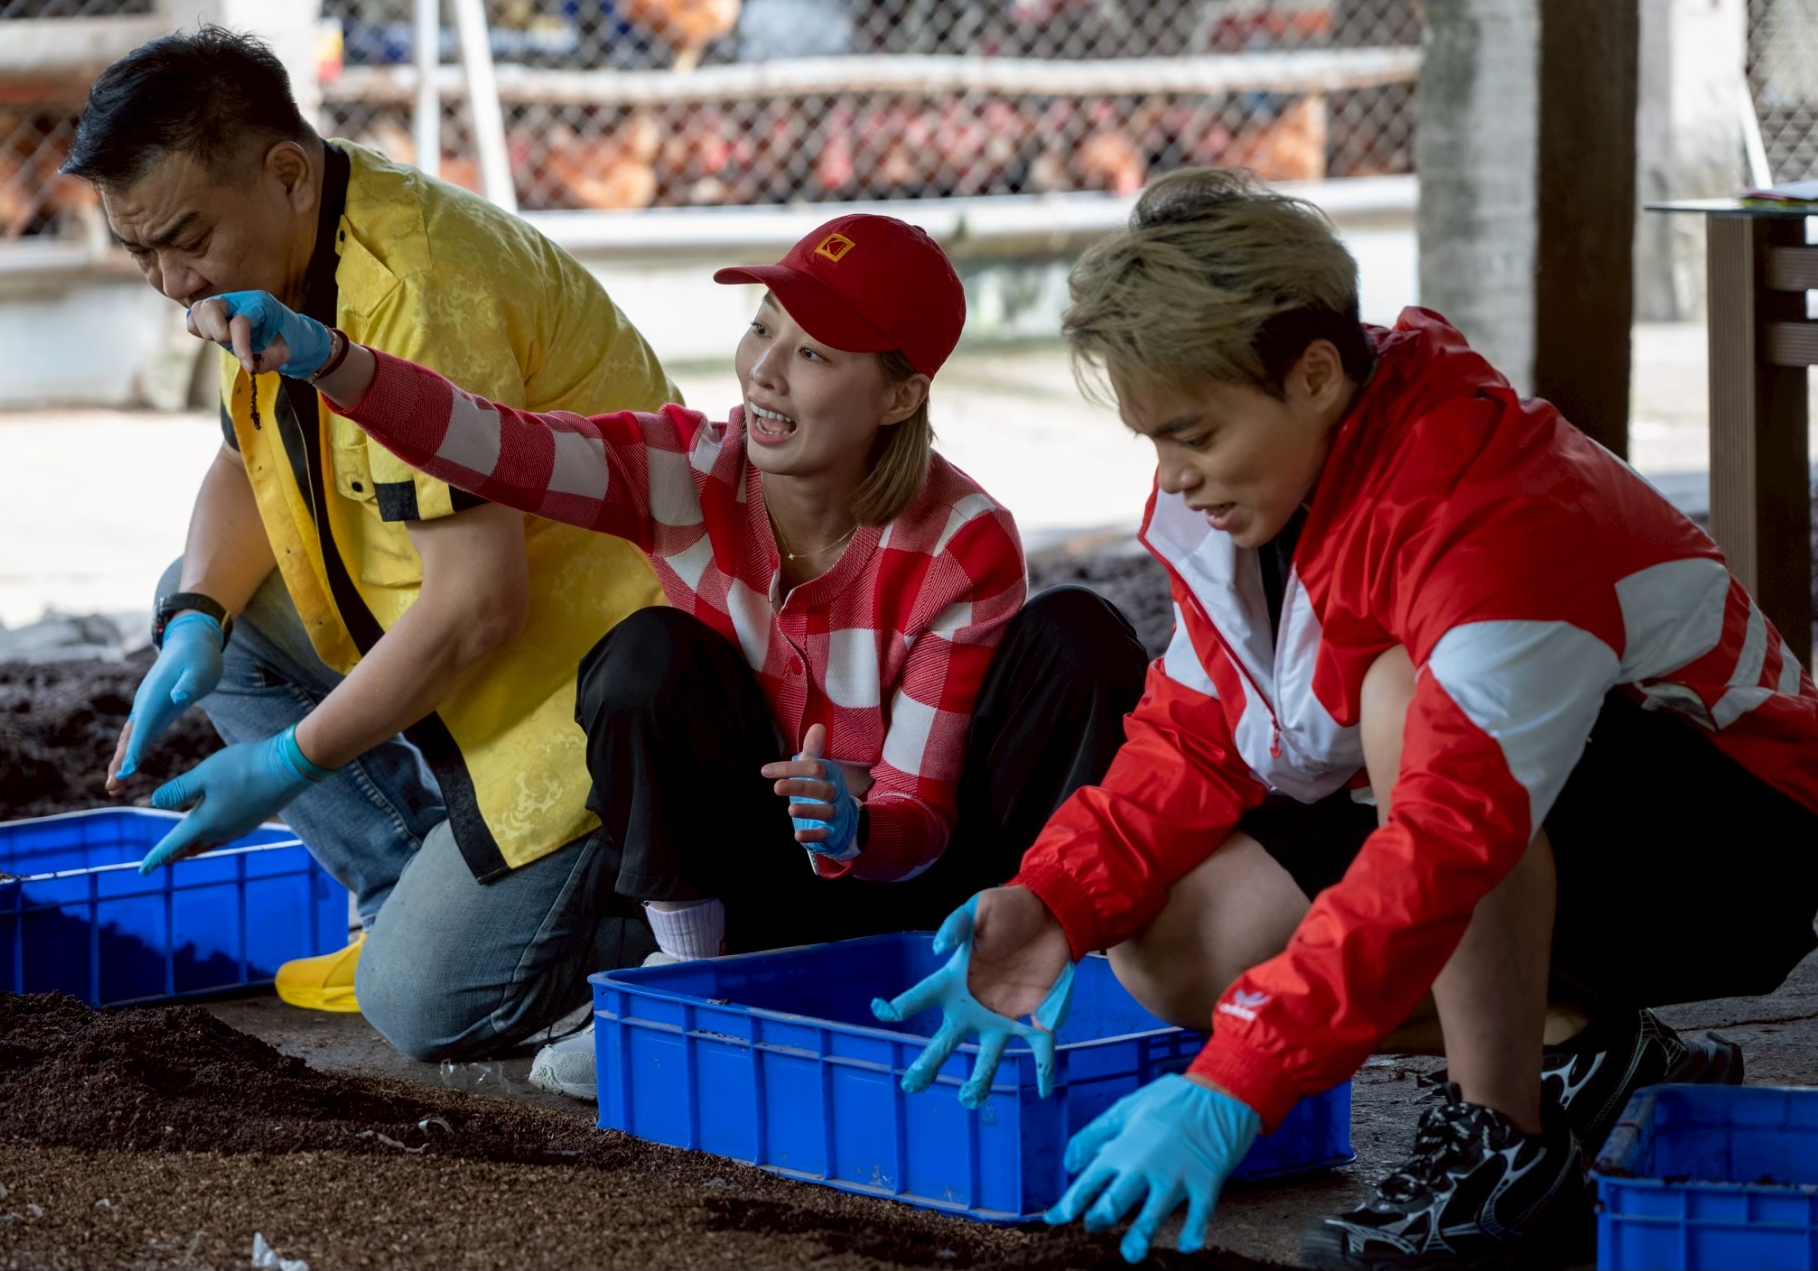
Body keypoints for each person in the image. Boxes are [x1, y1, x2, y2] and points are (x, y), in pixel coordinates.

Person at [883, 168, 1818, 1270]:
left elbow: (1445, 836)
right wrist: (1051, 905)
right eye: (1150, 441)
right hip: (1512, 813)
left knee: (1400, 695)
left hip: (1733, 840)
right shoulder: (1247, 502)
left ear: (1315, 375)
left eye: (1190, 433)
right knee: (1175, 954)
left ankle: (1499, 1146)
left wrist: (1237, 1080)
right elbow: (1195, 732)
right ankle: (1591, 1048)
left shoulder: (1490, 513)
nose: (1171, 477)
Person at [184, 212, 1154, 1099]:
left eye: (811, 351)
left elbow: (921, 815)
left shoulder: (961, 538)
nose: (763, 368)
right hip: (753, 888)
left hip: (922, 892)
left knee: (1077, 633)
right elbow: (495, 446)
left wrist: (855, 823)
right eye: (763, 326)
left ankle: (1047, 971)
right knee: (646, 655)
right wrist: (335, 364)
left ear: (898, 394)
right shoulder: (685, 470)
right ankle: (689, 992)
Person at [68, 25, 680, 1062]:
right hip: (459, 647)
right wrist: (196, 624)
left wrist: (284, 760)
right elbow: (247, 463)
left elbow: (479, 606)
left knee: (422, 1009)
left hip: (587, 692)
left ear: (287, 174)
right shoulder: (274, 258)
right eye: (141, 252)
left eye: (184, 239)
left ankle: (658, 924)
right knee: (198, 595)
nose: (170, 283)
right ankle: (404, 890)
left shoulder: (423, 292)